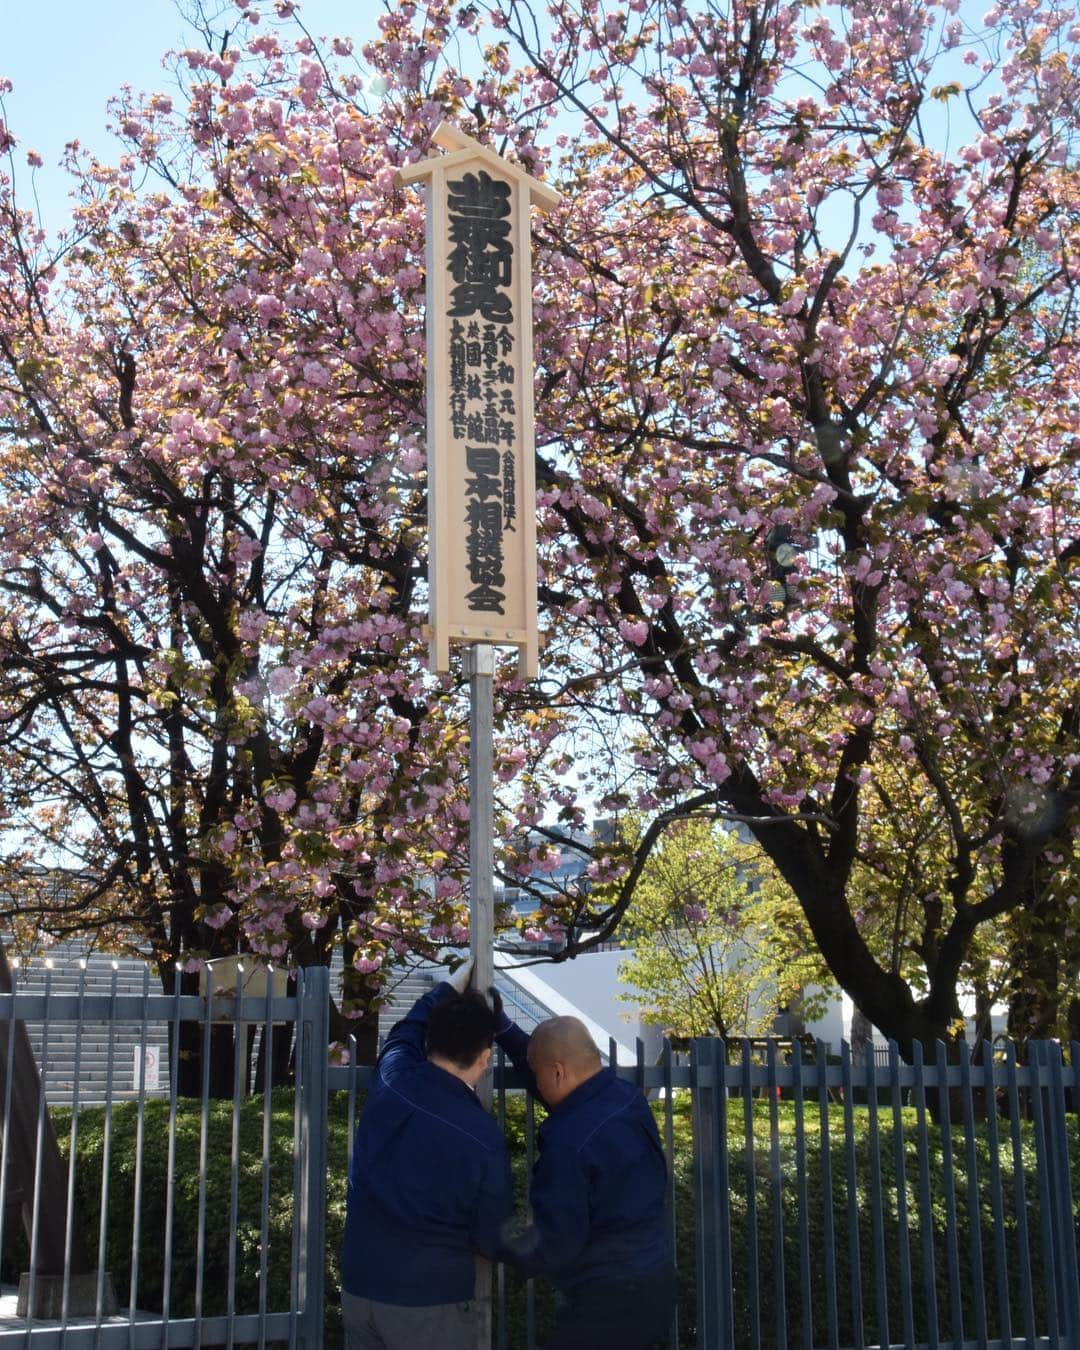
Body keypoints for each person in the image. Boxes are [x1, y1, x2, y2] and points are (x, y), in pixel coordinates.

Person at [340, 957, 512, 1350]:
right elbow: (492, 1235)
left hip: (360, 1287)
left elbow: (404, 1031)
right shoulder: (482, 1136)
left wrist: (448, 986)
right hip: (429, 1301)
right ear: (485, 1060)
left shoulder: (391, 1078)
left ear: (430, 1043)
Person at [495, 1010, 676, 1350]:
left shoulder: (568, 1144)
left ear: (558, 1072)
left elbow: (555, 1243)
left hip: (608, 1304)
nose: (535, 1083)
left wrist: (495, 1241)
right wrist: (504, 1029)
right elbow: (571, 1097)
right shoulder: (626, 1098)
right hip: (656, 1281)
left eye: (537, 1074)